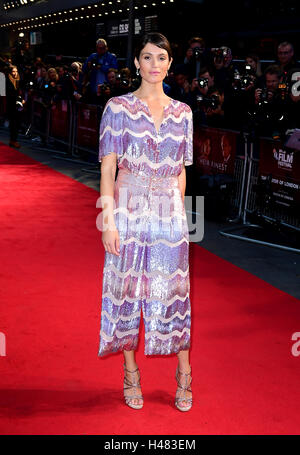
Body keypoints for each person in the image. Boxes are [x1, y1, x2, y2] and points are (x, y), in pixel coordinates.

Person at [97, 32, 193, 412]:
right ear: (137, 62)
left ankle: (184, 373)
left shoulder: (183, 113)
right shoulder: (117, 108)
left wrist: (181, 215)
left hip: (169, 213)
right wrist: (108, 220)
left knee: (172, 292)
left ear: (170, 63)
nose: (155, 65)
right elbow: (107, 169)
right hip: (128, 206)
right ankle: (130, 371)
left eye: (162, 58)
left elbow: (183, 173)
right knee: (127, 289)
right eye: (147, 57)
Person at [5, 65, 24, 148]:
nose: (15, 73)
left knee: (17, 123)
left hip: (18, 105)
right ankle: (13, 140)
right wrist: (19, 99)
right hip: (11, 105)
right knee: (14, 123)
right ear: (10, 72)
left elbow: (20, 92)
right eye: (13, 71)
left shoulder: (18, 80)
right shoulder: (7, 80)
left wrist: (21, 99)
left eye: (16, 71)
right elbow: (10, 94)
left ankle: (13, 140)